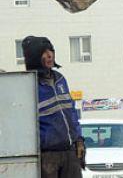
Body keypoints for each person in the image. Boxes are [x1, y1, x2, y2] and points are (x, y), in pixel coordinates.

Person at [22, 36, 85, 178]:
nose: (50, 55)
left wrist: (79, 140)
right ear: (34, 57)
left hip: (70, 152)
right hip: (47, 156)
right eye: (44, 52)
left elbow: (72, 113)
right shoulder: (28, 85)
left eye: (51, 51)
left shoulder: (61, 79)